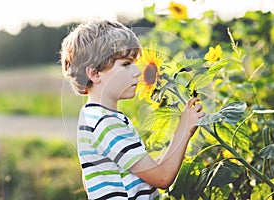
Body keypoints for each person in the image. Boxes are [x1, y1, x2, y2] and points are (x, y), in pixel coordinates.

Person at [60, 19, 205, 200]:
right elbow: (161, 177)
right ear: (95, 73)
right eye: (126, 64)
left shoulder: (93, 117)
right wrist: (184, 129)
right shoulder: (106, 123)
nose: (137, 71)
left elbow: (145, 172)